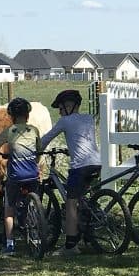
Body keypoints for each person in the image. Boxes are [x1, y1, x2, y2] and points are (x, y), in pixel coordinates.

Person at [41, 89, 101, 257]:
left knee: (70, 203)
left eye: (60, 108)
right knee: (83, 198)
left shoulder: (64, 121)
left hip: (80, 166)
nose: (59, 112)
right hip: (96, 163)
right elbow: (81, 139)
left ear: (68, 106)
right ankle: (87, 231)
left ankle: (70, 245)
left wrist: (35, 151)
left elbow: (47, 138)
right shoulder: (88, 118)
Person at [0, 97, 42, 256]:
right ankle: (36, 235)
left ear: (12, 117)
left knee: (9, 211)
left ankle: (9, 245)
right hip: (32, 176)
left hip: (16, 177)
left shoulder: (11, 131)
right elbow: (38, 152)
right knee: (32, 206)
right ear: (27, 116)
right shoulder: (34, 130)